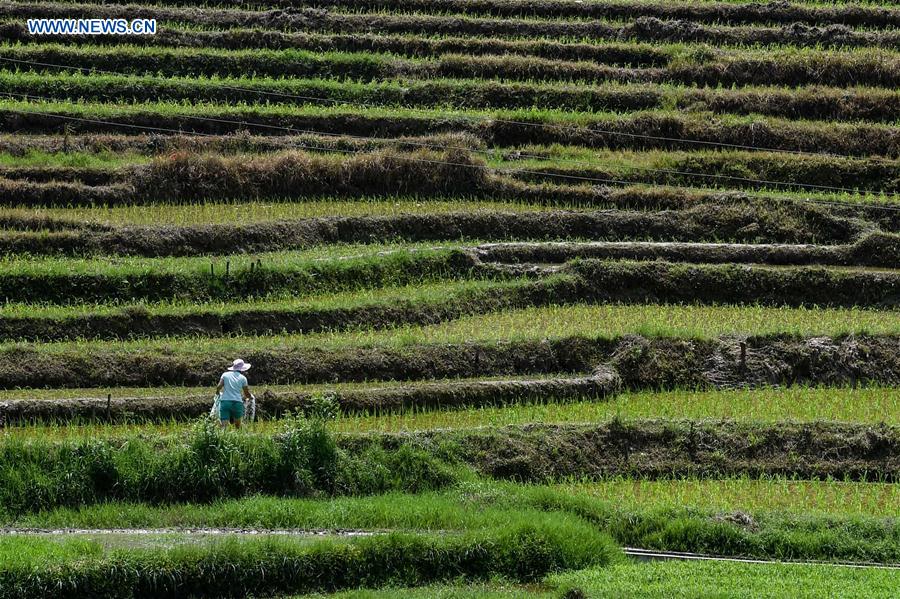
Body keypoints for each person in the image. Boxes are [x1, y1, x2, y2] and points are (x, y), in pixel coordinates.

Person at [216, 358, 252, 429]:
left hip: (225, 401)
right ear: (242, 369)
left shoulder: (225, 375)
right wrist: (250, 397)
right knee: (238, 426)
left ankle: (222, 438)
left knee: (223, 426)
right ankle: (237, 438)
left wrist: (217, 392)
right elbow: (246, 393)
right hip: (237, 402)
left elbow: (219, 386)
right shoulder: (243, 378)